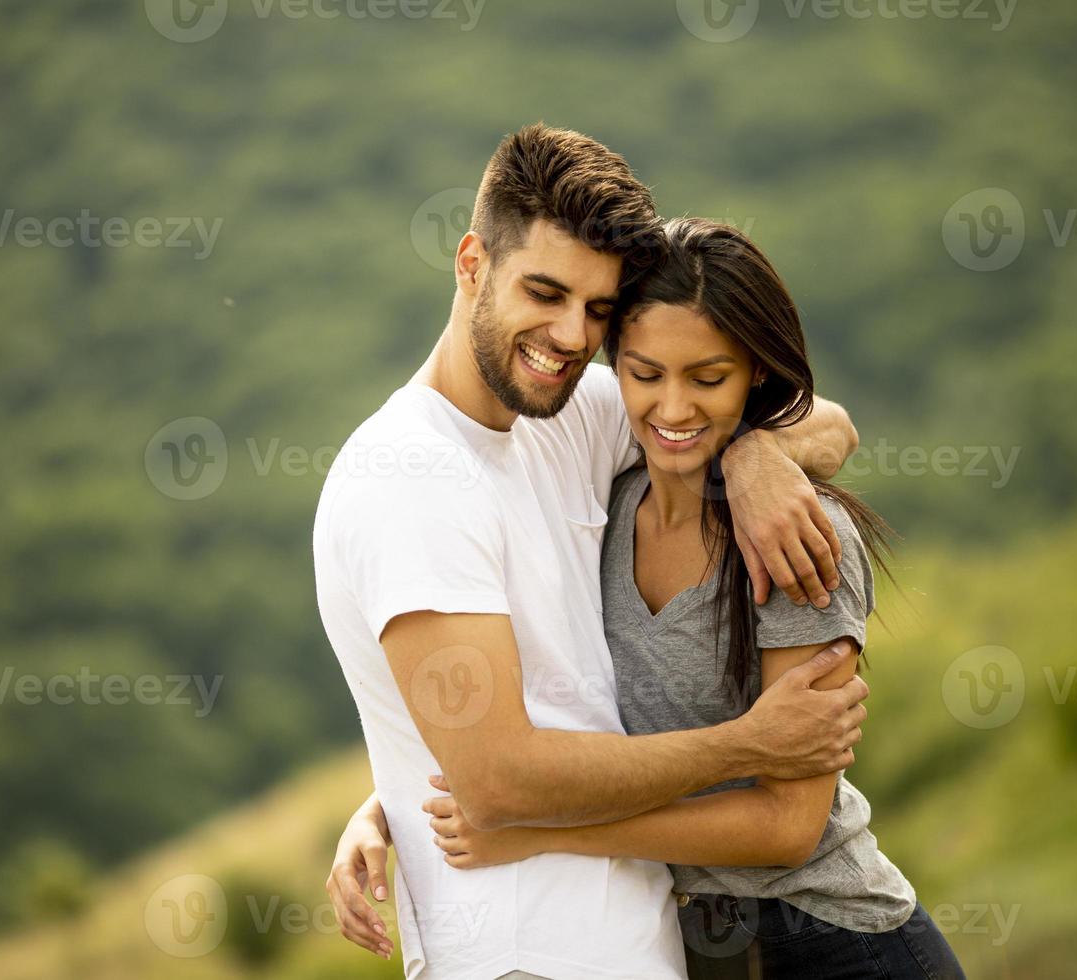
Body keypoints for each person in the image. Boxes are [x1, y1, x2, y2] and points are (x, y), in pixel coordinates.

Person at [314, 126, 866, 980]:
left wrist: (754, 456)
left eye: (598, 309)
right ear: (471, 264)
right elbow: (496, 780)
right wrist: (750, 745)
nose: (571, 335)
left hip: (635, 945)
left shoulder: (569, 413)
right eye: (545, 291)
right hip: (519, 955)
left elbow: (824, 424)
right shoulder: (408, 475)